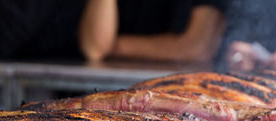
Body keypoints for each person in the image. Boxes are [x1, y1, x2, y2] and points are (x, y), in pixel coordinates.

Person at [78, 0, 226, 63]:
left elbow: (197, 48)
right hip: (104, 95)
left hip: (185, 96)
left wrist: (111, 46)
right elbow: (94, 49)